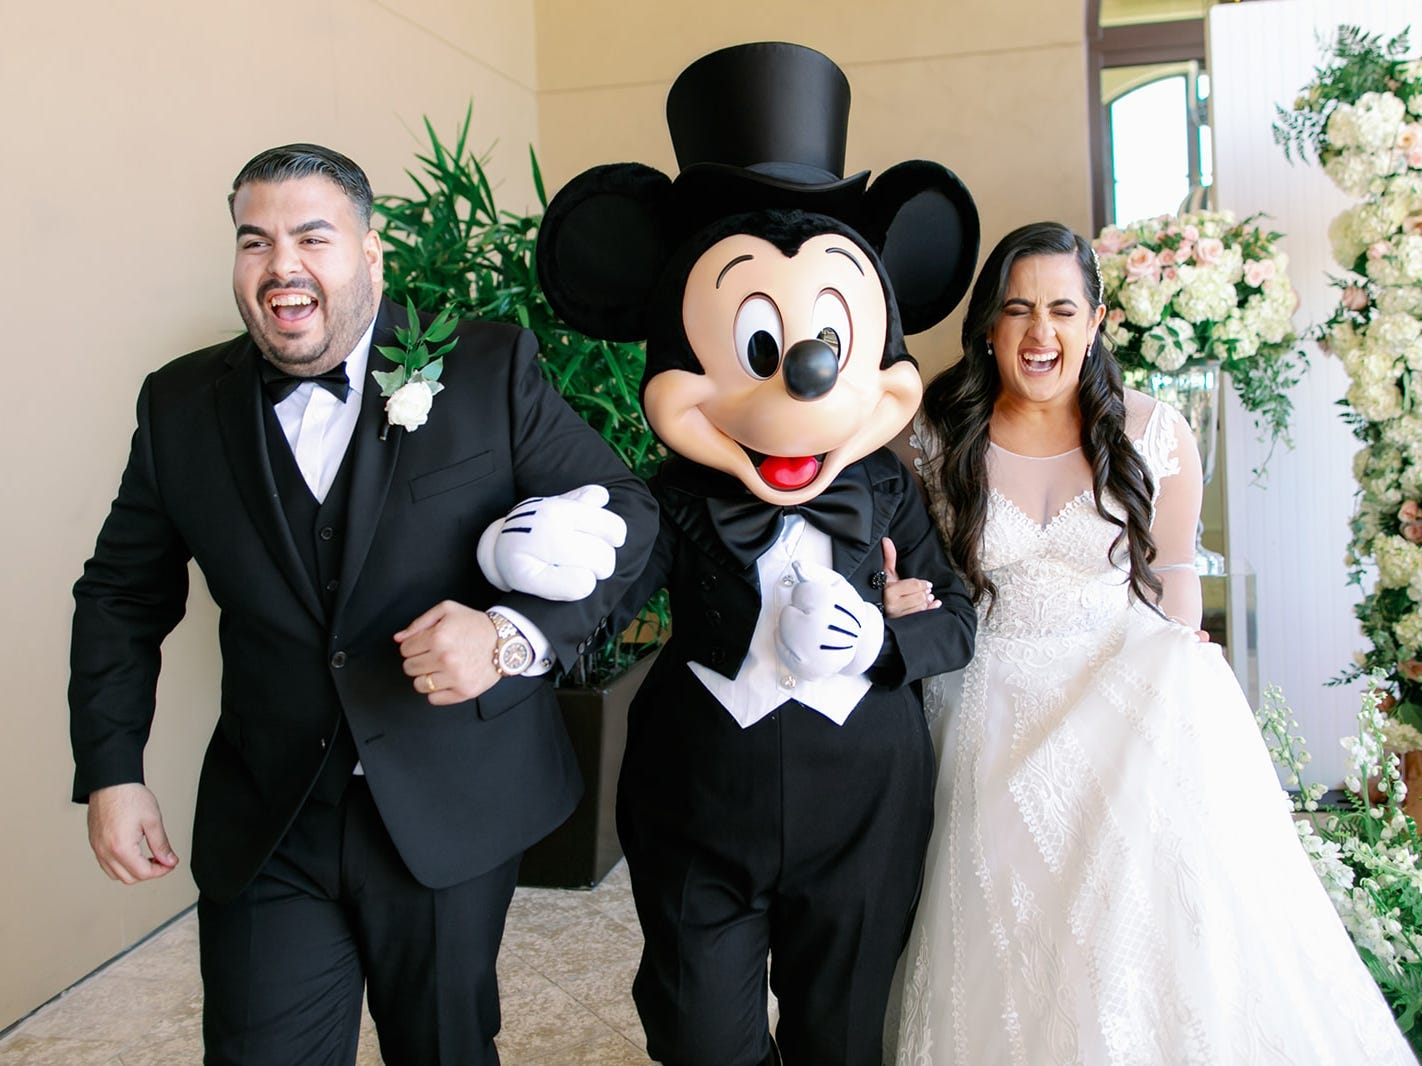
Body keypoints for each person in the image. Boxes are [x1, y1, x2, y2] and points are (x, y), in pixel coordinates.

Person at [68, 143, 657, 1066]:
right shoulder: (180, 404)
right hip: (272, 815)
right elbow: (120, 594)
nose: (281, 267)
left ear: (372, 252)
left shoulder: (487, 369)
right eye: (253, 242)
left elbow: (630, 514)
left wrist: (511, 636)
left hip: (450, 801)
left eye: (312, 236)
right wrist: (112, 768)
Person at [884, 221, 1416, 1063]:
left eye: (1063, 309)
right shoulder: (932, 435)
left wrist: (1186, 643)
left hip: (1116, 680)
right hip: (988, 690)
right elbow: (901, 559)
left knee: (1140, 903)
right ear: (988, 324)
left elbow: (1170, 573)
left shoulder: (1153, 431)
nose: (1040, 333)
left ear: (1096, 322)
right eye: (1017, 310)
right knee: (1010, 917)